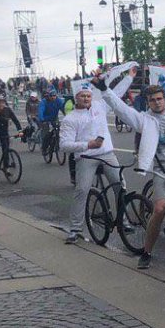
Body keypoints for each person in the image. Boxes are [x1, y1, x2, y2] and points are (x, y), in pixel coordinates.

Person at [97, 75, 165, 269]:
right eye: (153, 100)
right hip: (162, 171)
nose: (157, 102)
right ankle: (147, 251)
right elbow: (120, 109)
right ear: (147, 102)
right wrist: (104, 90)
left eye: (160, 99)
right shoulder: (144, 120)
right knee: (159, 209)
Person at [59, 86, 122, 243]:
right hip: (86, 156)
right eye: (82, 96)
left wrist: (129, 76)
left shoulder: (99, 107)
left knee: (120, 186)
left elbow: (116, 93)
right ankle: (75, 229)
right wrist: (88, 145)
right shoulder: (70, 119)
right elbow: (64, 145)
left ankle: (124, 220)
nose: (86, 98)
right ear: (76, 98)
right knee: (82, 190)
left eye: (88, 96)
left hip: (107, 154)